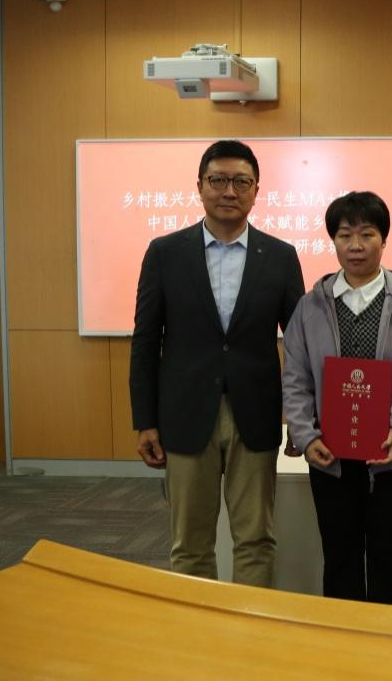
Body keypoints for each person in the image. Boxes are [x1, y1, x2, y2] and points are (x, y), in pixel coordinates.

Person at [129, 139, 305, 587]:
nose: (229, 191)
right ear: (200, 186)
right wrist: (145, 421)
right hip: (185, 414)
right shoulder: (165, 253)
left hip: (256, 415)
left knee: (256, 539)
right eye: (219, 180)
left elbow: (300, 345)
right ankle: (198, 628)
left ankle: (250, 626)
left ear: (256, 190)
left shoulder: (281, 256)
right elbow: (145, 341)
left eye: (241, 182)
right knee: (189, 543)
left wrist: (303, 419)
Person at [281, 191, 392, 606]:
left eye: (366, 234)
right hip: (329, 455)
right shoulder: (310, 306)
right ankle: (343, 639)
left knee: (390, 553)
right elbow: (295, 377)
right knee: (339, 554)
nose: (355, 245)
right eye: (344, 235)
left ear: (383, 240)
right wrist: (305, 435)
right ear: (332, 241)